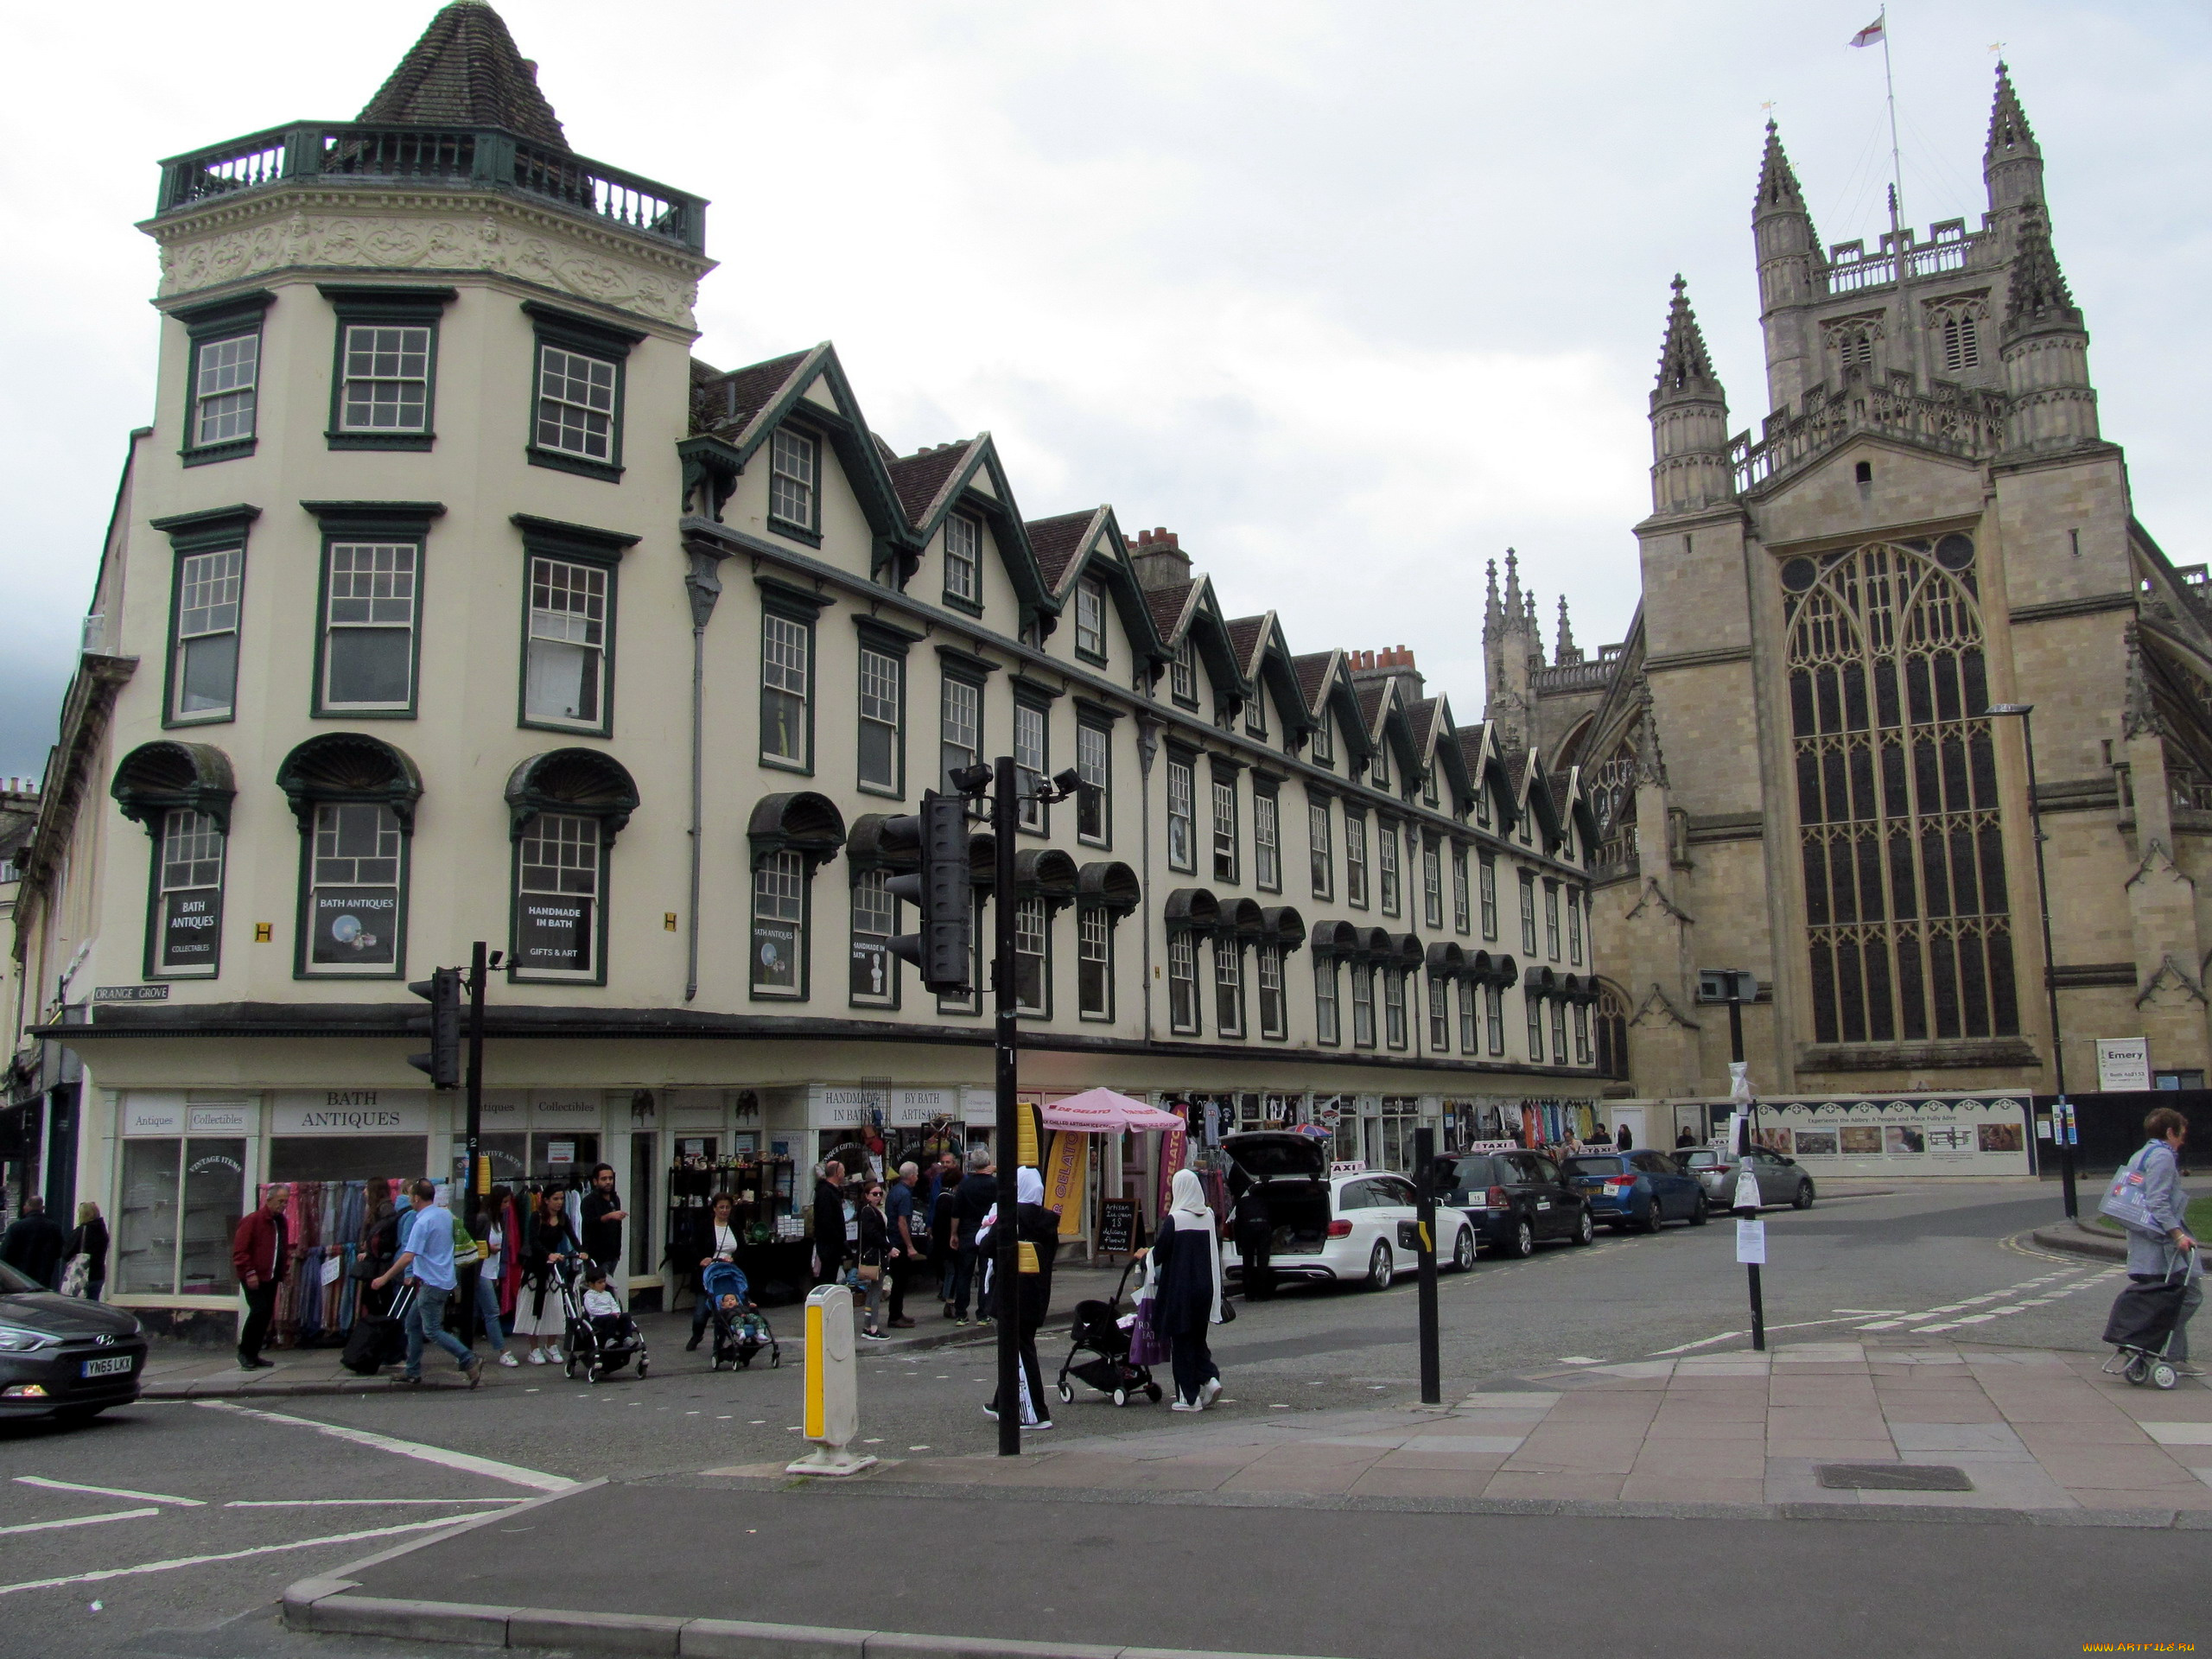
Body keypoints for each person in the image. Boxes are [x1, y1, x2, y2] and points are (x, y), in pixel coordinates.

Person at [373, 1180, 484, 1388]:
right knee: (412, 1324)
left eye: (410, 1196)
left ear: (416, 1198)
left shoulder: (421, 1222)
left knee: (432, 1329)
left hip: (431, 1282)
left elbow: (408, 1256)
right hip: (444, 1278)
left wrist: (384, 1278)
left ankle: (469, 1358)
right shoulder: (444, 1214)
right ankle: (412, 1371)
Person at [2120, 1107, 2202, 1374]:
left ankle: (2175, 1358)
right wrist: (2178, 1234)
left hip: (2144, 1246)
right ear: (2170, 1132)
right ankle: (2148, 1348)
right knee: (2188, 1297)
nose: (2182, 1141)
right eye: (2181, 1135)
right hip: (2162, 1247)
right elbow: (2158, 1202)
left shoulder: (2139, 1155)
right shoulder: (2163, 1157)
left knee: (2167, 1298)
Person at [981, 1166, 1059, 1427]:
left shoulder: (1011, 1216)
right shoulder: (1047, 1219)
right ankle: (1001, 1402)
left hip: (1012, 1291)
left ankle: (1037, 1411)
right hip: (1037, 1292)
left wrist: (989, 1227)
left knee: (1022, 1349)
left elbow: (987, 1247)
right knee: (1018, 1346)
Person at [1149, 1168, 1226, 1412]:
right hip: (1205, 1289)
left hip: (1180, 1291)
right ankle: (1210, 1378)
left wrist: (1145, 1257)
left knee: (1181, 1341)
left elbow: (1159, 1253)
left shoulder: (1176, 1220)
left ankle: (1189, 1398)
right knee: (1197, 1338)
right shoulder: (1208, 1216)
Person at [231, 1185, 293, 1371]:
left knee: (266, 1315)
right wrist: (249, 1273)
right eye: (280, 1201)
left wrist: (284, 1271)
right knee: (259, 1310)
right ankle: (245, 1352)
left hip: (270, 1275)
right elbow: (240, 1251)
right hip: (253, 1275)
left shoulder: (280, 1222)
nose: (283, 1205)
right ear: (269, 1200)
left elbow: (281, 1248)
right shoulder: (253, 1221)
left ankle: (254, 1353)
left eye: (286, 1202)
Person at [514, 1187, 572, 1364]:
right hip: (535, 1268)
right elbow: (533, 1241)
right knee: (533, 1307)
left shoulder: (563, 1218)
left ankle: (551, 1345)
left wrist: (583, 1251)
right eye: (556, 1198)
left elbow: (573, 1237)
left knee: (554, 1307)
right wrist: (548, 1254)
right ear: (546, 1200)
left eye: (561, 1198)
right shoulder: (536, 1217)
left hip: (552, 1270)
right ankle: (533, 1348)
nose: (560, 1202)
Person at [686, 1192, 742, 1351]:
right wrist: (702, 1259)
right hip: (708, 1272)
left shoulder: (735, 1226)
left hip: (728, 1273)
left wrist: (734, 1258)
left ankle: (721, 1339)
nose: (724, 1211)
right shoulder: (704, 1226)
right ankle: (697, 1335)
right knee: (700, 1311)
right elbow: (693, 1246)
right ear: (714, 1209)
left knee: (725, 1308)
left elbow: (742, 1247)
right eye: (721, 1207)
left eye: (728, 1207)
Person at [947, 1151, 998, 1325]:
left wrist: (954, 1234)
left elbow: (956, 1213)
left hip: (968, 1233)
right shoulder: (996, 1184)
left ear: (972, 1165)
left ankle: (961, 1313)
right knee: (986, 1274)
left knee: (964, 1273)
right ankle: (983, 1314)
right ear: (988, 1162)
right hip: (989, 1232)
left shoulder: (964, 1186)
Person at [471, 1185, 518, 1367]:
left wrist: (497, 1273)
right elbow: (472, 1243)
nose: (507, 1206)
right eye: (505, 1202)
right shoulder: (484, 1219)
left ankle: (464, 1351)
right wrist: (487, 1249)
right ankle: (502, 1350)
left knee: (478, 1312)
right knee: (491, 1311)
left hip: (489, 1271)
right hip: (480, 1271)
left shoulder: (499, 1221)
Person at [580, 1164, 627, 1301]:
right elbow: (589, 1223)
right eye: (604, 1179)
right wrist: (609, 1216)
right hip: (597, 1255)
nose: (608, 1182)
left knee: (609, 1289)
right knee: (598, 1291)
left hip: (613, 1254)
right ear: (595, 1181)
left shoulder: (615, 1199)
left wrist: (618, 1252)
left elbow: (617, 1228)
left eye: (610, 1178)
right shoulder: (589, 1201)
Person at [1, 1194, 67, 1291]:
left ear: (26, 1208)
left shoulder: (16, 1227)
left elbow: (5, 1255)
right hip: (44, 1278)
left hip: (19, 1279)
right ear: (42, 1208)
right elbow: (59, 1251)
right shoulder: (54, 1227)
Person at [885, 1162, 922, 1328]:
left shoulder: (895, 1190)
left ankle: (898, 1313)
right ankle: (894, 1316)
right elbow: (902, 1222)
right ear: (912, 1176)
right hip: (898, 1242)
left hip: (893, 1239)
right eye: (917, 1174)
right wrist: (910, 1246)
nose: (918, 1177)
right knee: (899, 1280)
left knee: (899, 1279)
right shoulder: (905, 1195)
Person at [855, 1180, 891, 1341]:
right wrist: (889, 1247)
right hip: (875, 1256)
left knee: (872, 1292)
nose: (878, 1197)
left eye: (880, 1193)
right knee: (876, 1292)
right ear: (866, 1196)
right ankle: (873, 1327)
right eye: (874, 1194)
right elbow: (873, 1234)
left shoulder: (872, 1210)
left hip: (876, 1254)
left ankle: (868, 1325)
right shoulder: (868, 1211)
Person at [812, 1160, 849, 1288]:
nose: (844, 1174)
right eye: (843, 1171)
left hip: (833, 1246)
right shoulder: (825, 1193)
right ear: (837, 1173)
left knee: (831, 1279)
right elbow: (826, 1221)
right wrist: (838, 1240)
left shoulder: (832, 1192)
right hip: (829, 1247)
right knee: (827, 1281)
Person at [66, 1201, 111, 1300]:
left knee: (78, 1307)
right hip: (98, 1275)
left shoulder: (81, 1231)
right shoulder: (102, 1231)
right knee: (93, 1304)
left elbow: (66, 1254)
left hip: (82, 1275)